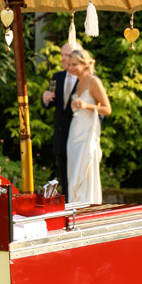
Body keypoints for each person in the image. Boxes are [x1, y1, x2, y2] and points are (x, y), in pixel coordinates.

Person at [66, 48, 111, 204]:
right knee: (73, 171)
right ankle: (75, 205)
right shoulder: (77, 82)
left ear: (84, 64)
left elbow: (107, 109)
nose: (70, 68)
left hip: (87, 132)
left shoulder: (94, 82)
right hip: (74, 132)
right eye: (69, 64)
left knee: (85, 168)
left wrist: (86, 105)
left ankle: (87, 205)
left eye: (74, 65)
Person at [42, 42, 78, 199]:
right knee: (65, 180)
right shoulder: (58, 77)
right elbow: (50, 105)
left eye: (67, 55)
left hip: (79, 139)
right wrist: (45, 100)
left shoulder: (87, 79)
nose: (63, 58)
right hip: (61, 139)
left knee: (78, 181)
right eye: (62, 55)